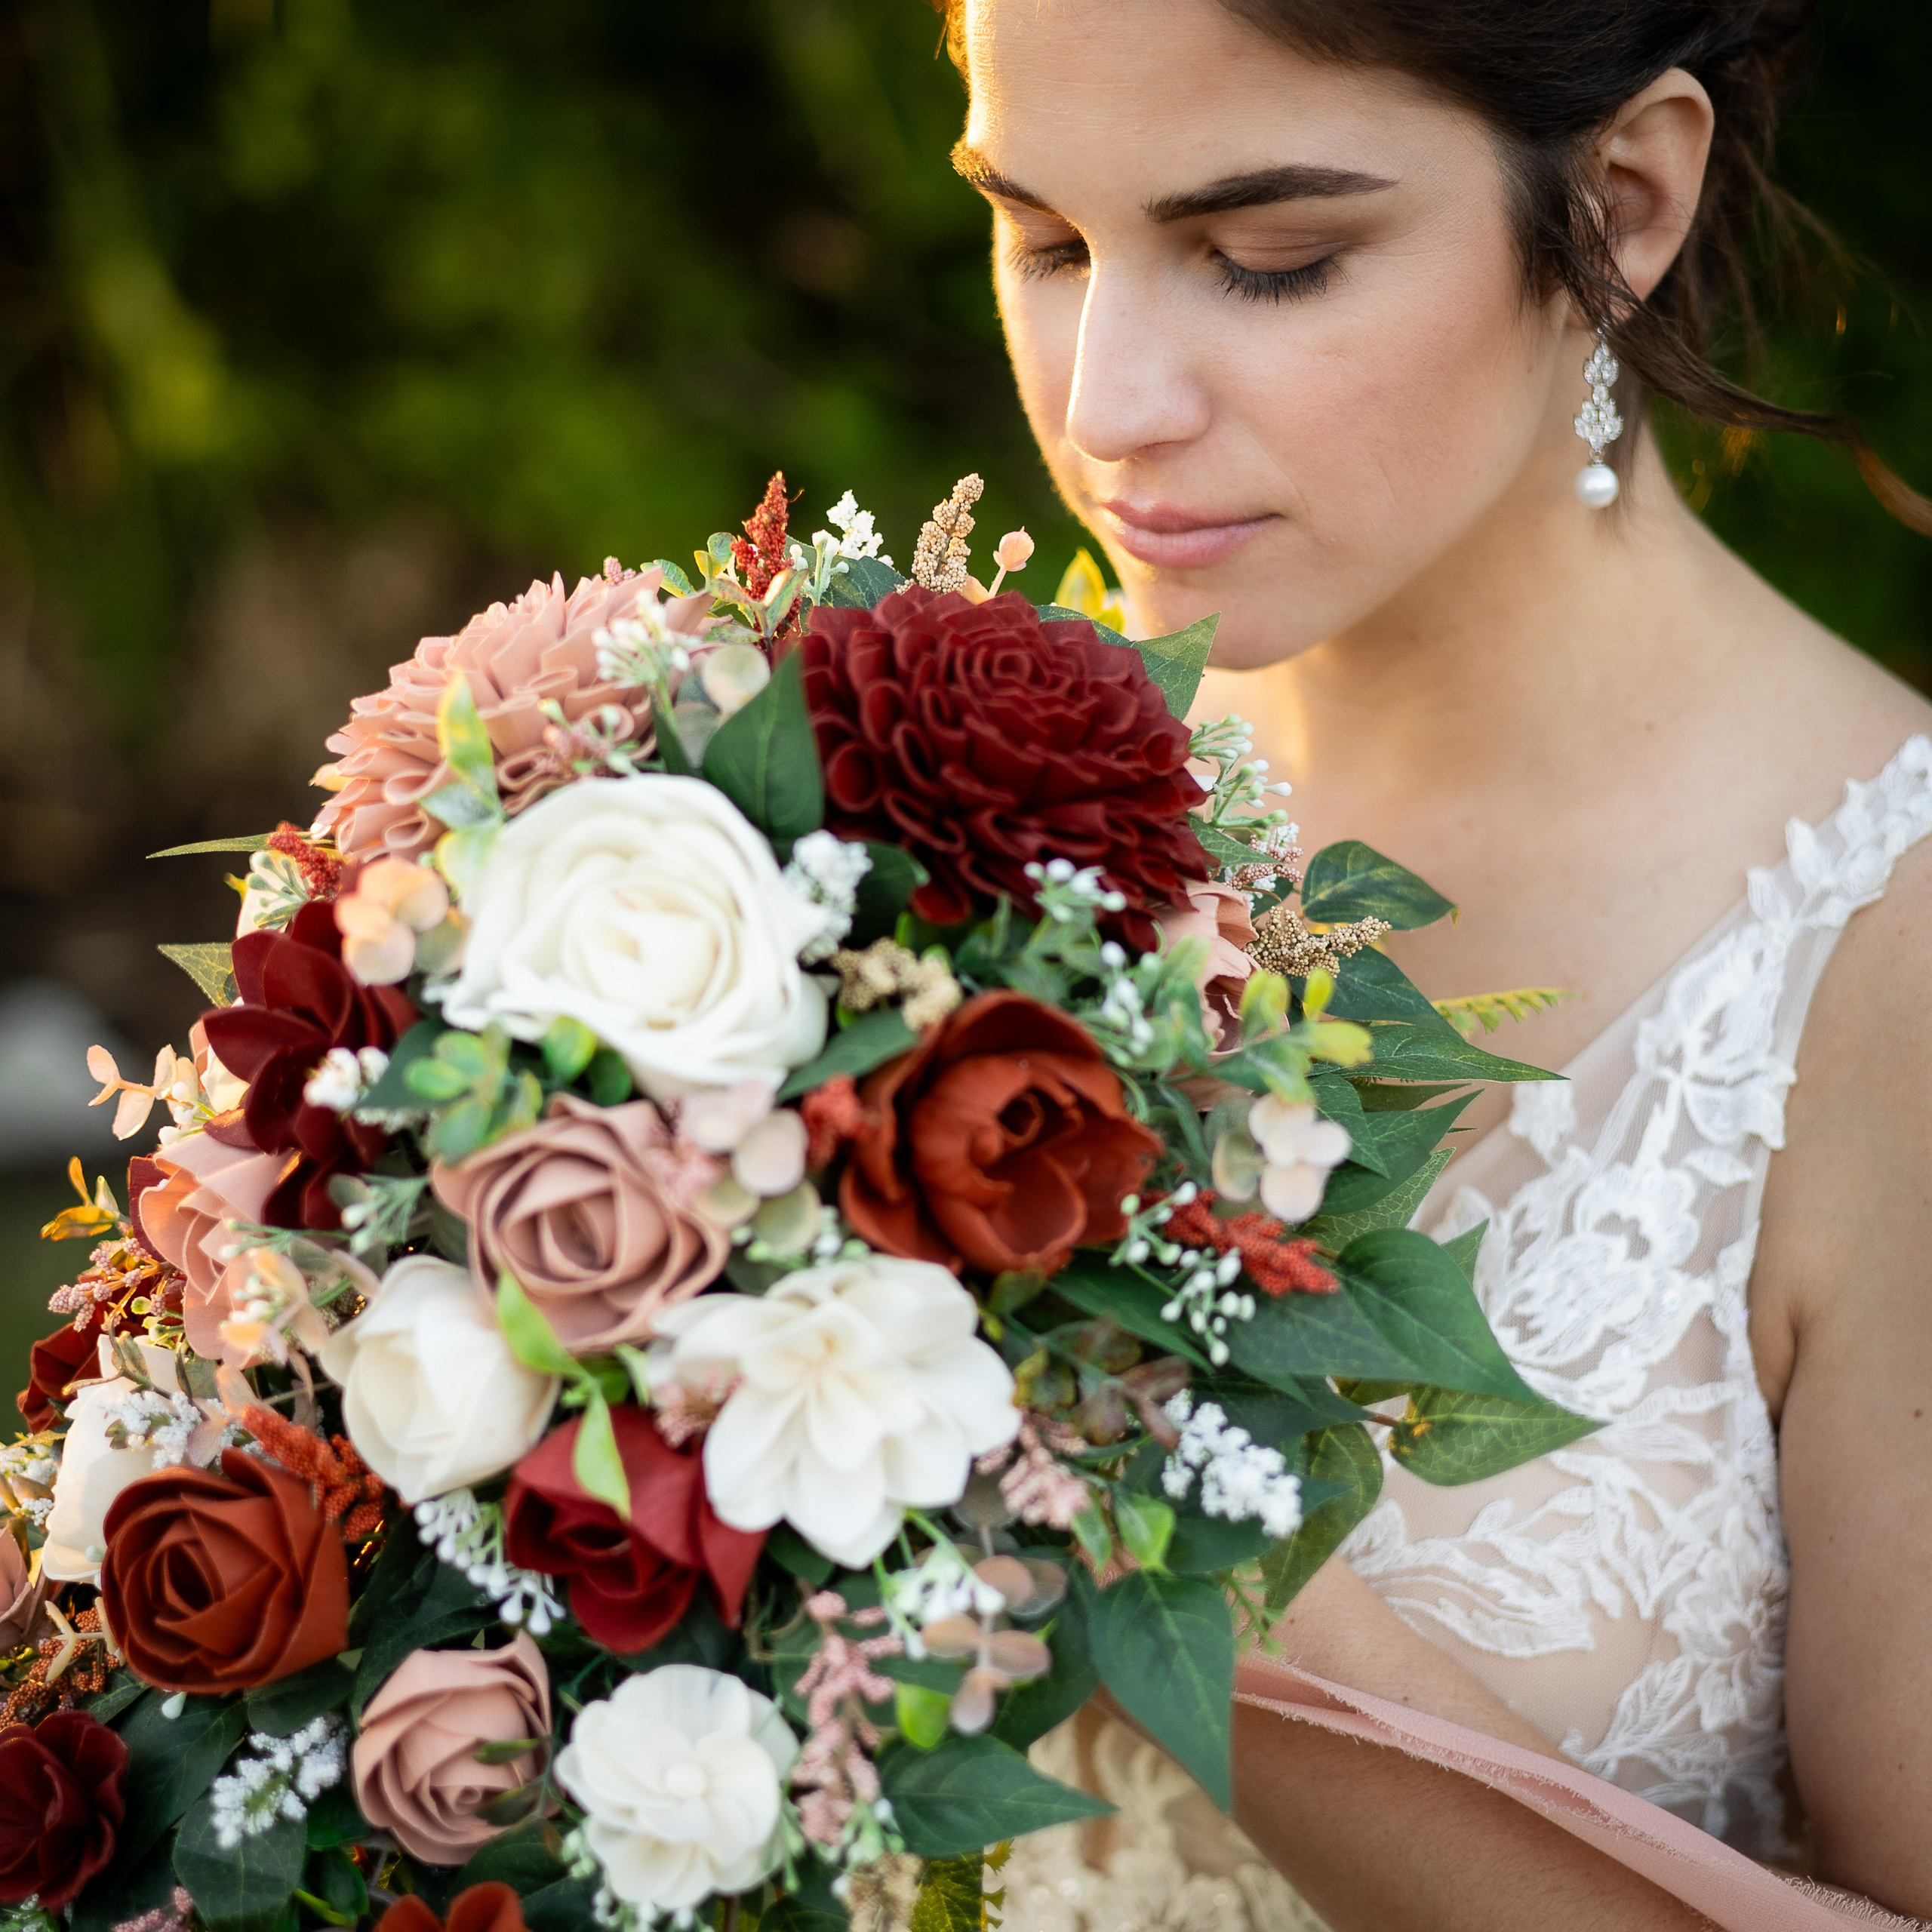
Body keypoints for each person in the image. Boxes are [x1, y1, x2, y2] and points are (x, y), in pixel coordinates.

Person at [934, 1, 1932, 1927]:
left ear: (1624, 201)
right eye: (1046, 239)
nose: (1107, 399)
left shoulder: (1889, 962)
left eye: (1268, 261)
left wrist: (1172, 1539)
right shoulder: (930, 816)